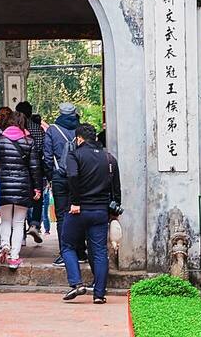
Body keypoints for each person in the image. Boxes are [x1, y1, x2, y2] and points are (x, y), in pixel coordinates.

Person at [58, 124, 120, 304]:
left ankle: (76, 283)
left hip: (78, 210)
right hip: (100, 211)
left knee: (68, 245)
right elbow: (116, 188)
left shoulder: (74, 155)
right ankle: (99, 294)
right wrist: (115, 212)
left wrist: (75, 202)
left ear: (79, 139)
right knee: (99, 251)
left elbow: (72, 177)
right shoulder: (109, 158)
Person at [0, 111, 42, 268]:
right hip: (22, 187)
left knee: (5, 220)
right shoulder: (29, 141)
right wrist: (37, 188)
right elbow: (35, 167)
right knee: (19, 223)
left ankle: (4, 244)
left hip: (3, 186)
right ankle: (14, 257)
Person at [44, 103, 84, 267]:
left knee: (61, 216)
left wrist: (50, 176)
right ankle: (80, 252)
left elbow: (47, 156)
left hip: (59, 176)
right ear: (75, 113)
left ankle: (65, 253)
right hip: (79, 177)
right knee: (79, 213)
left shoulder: (52, 130)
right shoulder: (81, 129)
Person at [16, 102, 49, 245]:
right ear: (30, 113)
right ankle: (35, 224)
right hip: (36, 169)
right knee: (38, 198)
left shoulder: (15, 130)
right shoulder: (38, 129)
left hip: (19, 170)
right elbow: (43, 150)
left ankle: (21, 234)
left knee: (18, 201)